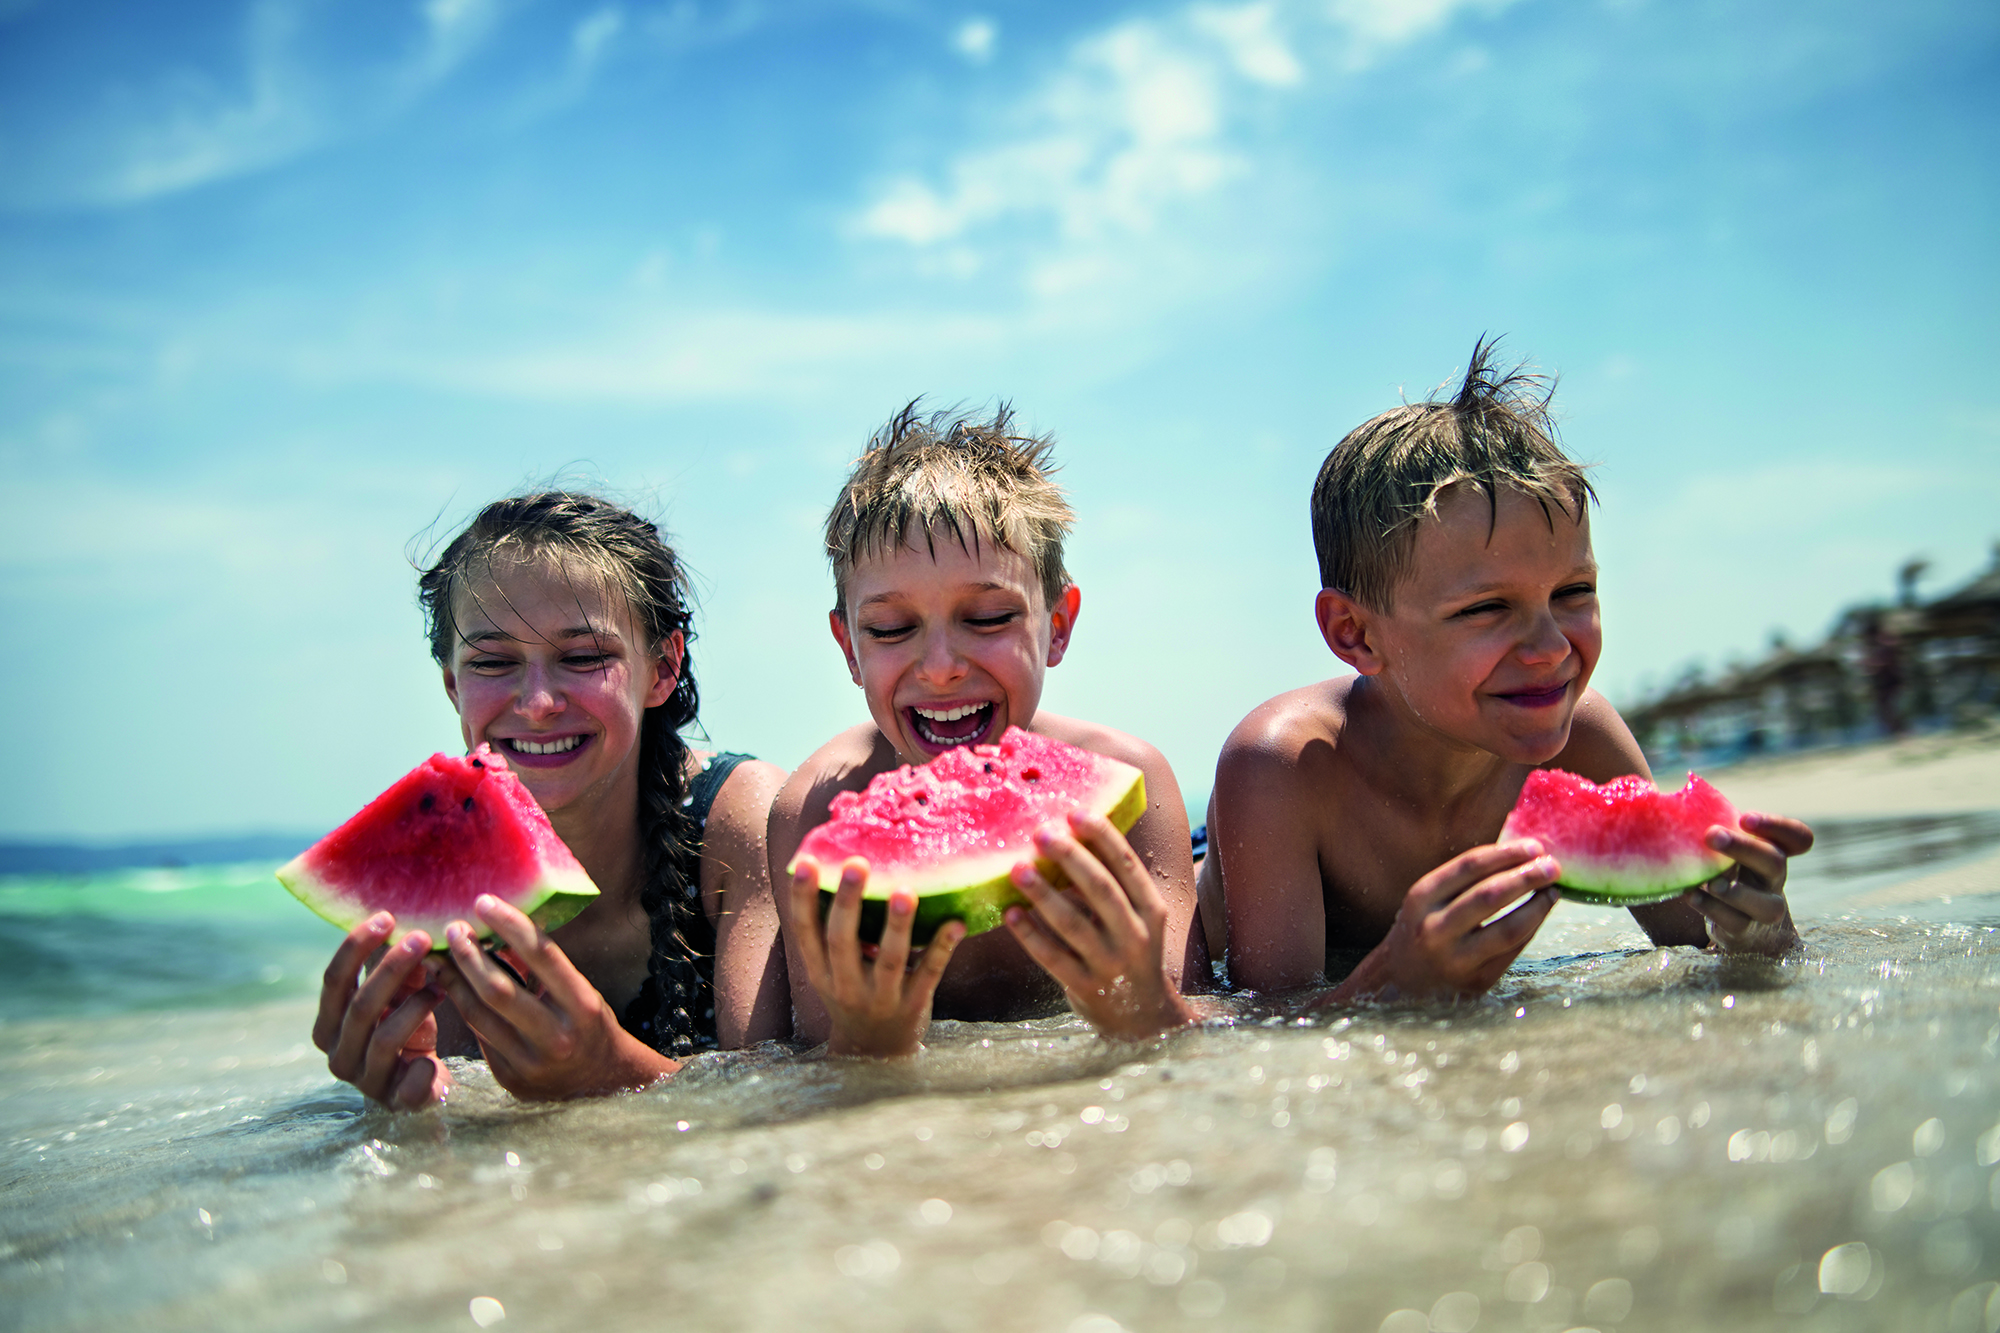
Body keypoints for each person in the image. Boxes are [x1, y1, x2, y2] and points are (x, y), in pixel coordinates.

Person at [1201, 340, 1815, 1003]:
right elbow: (1264, 1027)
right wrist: (1391, 992)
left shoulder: (1583, 735)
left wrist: (1760, 932)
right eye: (1489, 607)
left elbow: (1698, 947)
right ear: (1355, 633)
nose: (1550, 647)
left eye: (1573, 593)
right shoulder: (1282, 764)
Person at [312, 492, 788, 1107]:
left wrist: (608, 1068)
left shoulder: (741, 819)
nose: (537, 702)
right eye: (492, 662)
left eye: (584, 656)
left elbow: (786, 1106)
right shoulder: (436, 872)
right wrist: (418, 1106)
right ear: (453, 687)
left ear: (663, 668)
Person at [768, 404, 1208, 1056]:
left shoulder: (1131, 786)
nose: (942, 667)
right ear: (849, 647)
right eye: (891, 628)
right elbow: (816, 1070)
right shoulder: (813, 814)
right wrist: (869, 1042)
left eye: (990, 616)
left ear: (1057, 625)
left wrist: (1147, 1006)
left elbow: (1194, 1037)